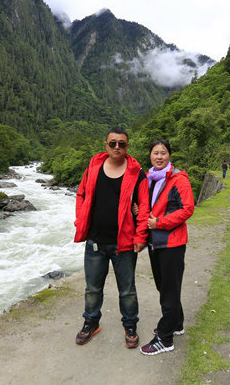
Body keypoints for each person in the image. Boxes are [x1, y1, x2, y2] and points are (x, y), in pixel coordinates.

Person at [73, 127, 150, 348]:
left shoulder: (136, 172)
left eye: (122, 144)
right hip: (95, 241)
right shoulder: (94, 167)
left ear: (127, 147)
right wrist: (81, 221)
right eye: (113, 143)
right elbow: (81, 194)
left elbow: (144, 206)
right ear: (105, 145)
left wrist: (140, 236)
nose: (117, 147)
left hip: (124, 243)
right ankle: (91, 323)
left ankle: (130, 326)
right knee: (92, 288)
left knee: (127, 290)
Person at [138, 139, 195, 355]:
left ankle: (165, 337)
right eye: (155, 153)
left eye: (163, 153)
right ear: (150, 156)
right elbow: (150, 206)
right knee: (165, 287)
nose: (159, 157)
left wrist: (159, 223)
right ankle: (176, 324)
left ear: (169, 155)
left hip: (172, 243)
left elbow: (187, 209)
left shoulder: (178, 178)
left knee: (168, 291)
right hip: (156, 243)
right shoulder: (150, 178)